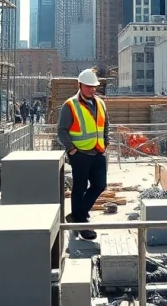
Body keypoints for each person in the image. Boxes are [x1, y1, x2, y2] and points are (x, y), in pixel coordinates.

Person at [57, 69, 109, 240]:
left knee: (100, 185)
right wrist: (72, 150)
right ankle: (81, 223)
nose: (92, 90)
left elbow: (105, 125)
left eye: (94, 87)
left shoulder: (100, 103)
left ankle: (78, 215)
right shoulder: (70, 105)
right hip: (80, 154)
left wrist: (106, 142)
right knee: (79, 188)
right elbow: (61, 131)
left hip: (98, 151)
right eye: (89, 87)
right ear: (80, 85)